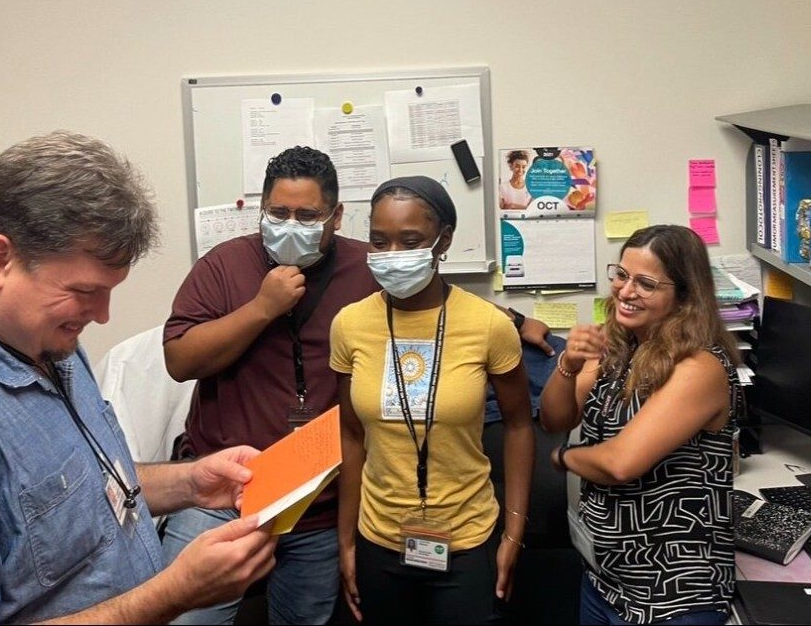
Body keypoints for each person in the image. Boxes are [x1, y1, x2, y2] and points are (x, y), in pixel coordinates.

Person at [0, 131, 277, 624]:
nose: (101, 316)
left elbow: (74, 491)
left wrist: (190, 482)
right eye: (84, 291)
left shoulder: (41, 342)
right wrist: (172, 594)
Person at [160, 145, 378, 625]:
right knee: (186, 618)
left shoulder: (366, 268)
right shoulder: (223, 266)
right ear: (261, 209)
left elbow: (436, 304)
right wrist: (261, 308)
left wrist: (514, 320)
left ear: (337, 216)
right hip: (222, 493)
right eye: (278, 213)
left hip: (317, 507)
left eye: (307, 215)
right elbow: (179, 359)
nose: (290, 224)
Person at [332, 175, 535, 624]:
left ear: (443, 240)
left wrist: (514, 532)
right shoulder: (349, 325)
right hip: (379, 538)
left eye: (410, 241)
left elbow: (520, 426)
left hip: (466, 539)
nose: (392, 255)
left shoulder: (488, 325)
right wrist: (345, 542)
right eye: (379, 242)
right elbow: (350, 435)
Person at [539, 224, 742, 625]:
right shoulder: (617, 344)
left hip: (673, 593)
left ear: (684, 295)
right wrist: (568, 365)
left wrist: (564, 457)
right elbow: (554, 418)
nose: (626, 292)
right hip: (607, 579)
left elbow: (620, 464)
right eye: (622, 275)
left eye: (646, 284)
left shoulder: (699, 366)